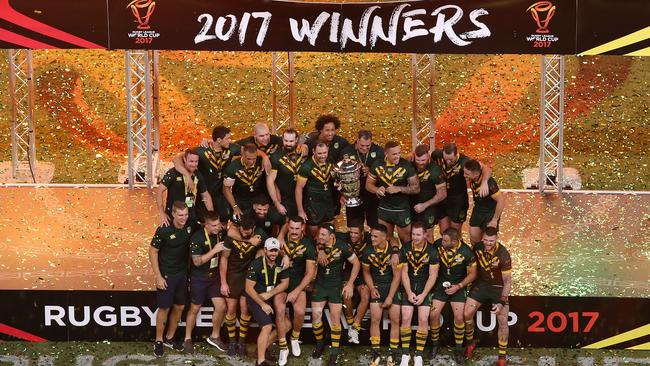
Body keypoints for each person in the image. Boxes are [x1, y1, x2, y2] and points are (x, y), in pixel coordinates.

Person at [306, 223, 360, 366]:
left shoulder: (342, 246)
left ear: (332, 236)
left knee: (335, 318)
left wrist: (350, 283)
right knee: (316, 316)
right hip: (320, 285)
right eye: (320, 234)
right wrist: (321, 248)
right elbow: (313, 243)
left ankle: (334, 352)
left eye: (323, 235)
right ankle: (320, 344)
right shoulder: (316, 244)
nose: (320, 237)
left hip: (336, 285)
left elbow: (356, 263)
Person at [149, 201, 193, 357]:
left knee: (180, 307)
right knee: (164, 308)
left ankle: (169, 337)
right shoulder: (163, 229)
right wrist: (158, 276)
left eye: (186, 214)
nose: (184, 218)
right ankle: (159, 340)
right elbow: (153, 252)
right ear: (173, 214)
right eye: (180, 215)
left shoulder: (190, 226)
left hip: (182, 275)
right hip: (166, 276)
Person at [220, 214, 268, 358]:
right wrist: (223, 282)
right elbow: (224, 259)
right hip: (233, 276)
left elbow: (272, 245)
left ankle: (241, 342)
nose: (245, 233)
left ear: (254, 228)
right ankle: (232, 342)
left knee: (245, 309)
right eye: (243, 230)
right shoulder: (231, 237)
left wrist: (260, 252)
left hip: (248, 277)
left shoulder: (260, 235)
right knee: (231, 310)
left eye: (248, 231)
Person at [464, 227, 512, 366]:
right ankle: (470, 343)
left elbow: (508, 281)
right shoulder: (478, 247)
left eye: (491, 240)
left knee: (503, 320)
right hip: (482, 285)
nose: (488, 243)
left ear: (496, 238)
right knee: (467, 314)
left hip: (498, 287)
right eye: (485, 240)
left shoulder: (503, 254)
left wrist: (502, 302)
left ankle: (502, 357)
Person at [172, 126, 240, 222]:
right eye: (228, 138)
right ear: (219, 140)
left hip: (220, 195)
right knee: (204, 222)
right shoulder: (202, 151)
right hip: (203, 194)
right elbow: (176, 159)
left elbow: (248, 151)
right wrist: (187, 175)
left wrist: (264, 157)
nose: (230, 141)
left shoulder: (231, 149)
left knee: (223, 221)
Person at [430, 228, 476, 364]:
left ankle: (458, 349)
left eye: (445, 241)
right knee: (433, 314)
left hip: (458, 286)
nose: (442, 242)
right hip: (441, 286)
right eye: (442, 239)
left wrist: (459, 286)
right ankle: (434, 345)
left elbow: (473, 274)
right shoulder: (438, 245)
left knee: (459, 317)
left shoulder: (467, 252)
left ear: (455, 241)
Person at [184, 211, 228, 353]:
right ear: (206, 225)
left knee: (221, 307)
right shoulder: (197, 237)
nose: (218, 227)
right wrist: (214, 250)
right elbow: (197, 262)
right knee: (195, 308)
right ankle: (187, 338)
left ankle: (215, 336)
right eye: (214, 225)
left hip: (214, 277)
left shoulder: (221, 232)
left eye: (218, 224)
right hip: (199, 277)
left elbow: (232, 230)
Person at [399, 222, 439, 366]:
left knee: (423, 319)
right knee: (406, 318)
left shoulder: (433, 251)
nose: (415, 237)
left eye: (418, 234)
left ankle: (419, 355)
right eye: (413, 234)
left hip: (424, 287)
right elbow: (404, 272)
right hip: (409, 286)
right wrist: (409, 292)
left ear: (425, 235)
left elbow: (432, 276)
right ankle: (405, 355)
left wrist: (423, 294)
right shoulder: (405, 248)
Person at [245, 238, 290, 366]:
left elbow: (285, 284)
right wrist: (262, 304)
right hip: (256, 298)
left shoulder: (281, 262)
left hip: (269, 297)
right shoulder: (256, 264)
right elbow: (248, 288)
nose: (273, 254)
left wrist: (270, 294)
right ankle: (260, 361)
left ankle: (260, 349)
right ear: (265, 250)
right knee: (267, 327)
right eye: (271, 251)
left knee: (287, 325)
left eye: (275, 251)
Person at [362, 225, 402, 366]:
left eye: (375, 236)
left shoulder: (394, 252)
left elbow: (398, 277)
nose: (372, 238)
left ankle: (393, 353)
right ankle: (376, 353)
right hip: (377, 287)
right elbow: (366, 272)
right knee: (375, 319)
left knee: (395, 320)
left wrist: (391, 296)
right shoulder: (367, 251)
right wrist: (372, 288)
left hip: (392, 287)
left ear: (385, 237)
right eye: (371, 235)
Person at [366, 141, 420, 245]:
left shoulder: (406, 166)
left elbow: (416, 188)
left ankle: (406, 261)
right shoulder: (377, 164)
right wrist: (377, 189)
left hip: (401, 210)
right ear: (386, 154)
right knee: (386, 240)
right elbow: (368, 185)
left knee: (406, 241)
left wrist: (399, 188)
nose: (398, 156)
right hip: (384, 209)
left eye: (399, 153)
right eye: (394, 154)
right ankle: (391, 260)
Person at [277, 216, 316, 358]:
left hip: (298, 283)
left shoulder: (308, 244)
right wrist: (282, 253)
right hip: (280, 283)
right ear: (288, 226)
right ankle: (283, 347)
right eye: (291, 228)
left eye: (297, 228)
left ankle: (294, 338)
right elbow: (268, 252)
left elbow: (310, 273)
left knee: (299, 311)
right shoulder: (280, 239)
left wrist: (296, 291)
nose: (294, 231)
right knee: (280, 310)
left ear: (302, 228)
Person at [430, 143, 490, 235]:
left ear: (456, 154)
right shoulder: (437, 154)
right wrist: (411, 155)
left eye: (451, 159)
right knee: (444, 231)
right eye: (446, 159)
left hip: (458, 199)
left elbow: (486, 168)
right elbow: (425, 154)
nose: (448, 162)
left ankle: (458, 248)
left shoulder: (464, 162)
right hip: (442, 198)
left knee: (455, 232)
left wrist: (484, 182)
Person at [157, 148, 213, 229]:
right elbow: (159, 192)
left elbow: (205, 195)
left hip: (190, 216)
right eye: (191, 161)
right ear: (184, 159)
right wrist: (162, 213)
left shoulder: (197, 175)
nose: (194, 164)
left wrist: (211, 216)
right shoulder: (173, 173)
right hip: (173, 216)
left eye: (196, 162)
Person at [336, 220, 371, 345]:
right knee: (346, 294)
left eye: (356, 233)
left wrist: (394, 252)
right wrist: (322, 249)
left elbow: (391, 239)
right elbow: (324, 235)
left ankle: (355, 327)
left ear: (363, 233)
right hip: (348, 271)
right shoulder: (343, 236)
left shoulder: (370, 237)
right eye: (351, 232)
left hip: (365, 272)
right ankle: (351, 324)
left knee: (366, 296)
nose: (353, 235)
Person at [340, 129, 384, 228]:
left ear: (371, 142)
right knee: (355, 227)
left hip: (373, 196)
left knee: (375, 226)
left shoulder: (379, 151)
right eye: (362, 145)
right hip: (354, 195)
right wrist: (342, 194)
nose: (364, 148)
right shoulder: (347, 152)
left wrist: (372, 172)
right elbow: (339, 174)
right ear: (357, 140)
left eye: (368, 146)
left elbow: (384, 172)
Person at [295, 142, 338, 237]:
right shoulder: (306, 167)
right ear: (314, 151)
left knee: (329, 231)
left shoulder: (330, 160)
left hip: (328, 202)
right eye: (320, 153)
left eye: (325, 153)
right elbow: (299, 189)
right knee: (314, 233)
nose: (323, 156)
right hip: (313, 204)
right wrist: (300, 210)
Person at [463, 159, 506, 244]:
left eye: (467, 174)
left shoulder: (490, 185)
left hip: (489, 213)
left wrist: (494, 220)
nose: (464, 175)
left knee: (488, 241)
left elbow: (501, 201)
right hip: (478, 209)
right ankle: (476, 255)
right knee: (474, 238)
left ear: (476, 174)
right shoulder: (475, 172)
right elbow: (485, 167)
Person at [267, 128, 306, 218]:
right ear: (282, 139)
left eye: (291, 141)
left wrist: (305, 146)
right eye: (286, 140)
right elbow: (270, 181)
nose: (288, 144)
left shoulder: (303, 152)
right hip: (286, 199)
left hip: (305, 197)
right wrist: (276, 202)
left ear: (296, 140)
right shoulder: (275, 156)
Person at [411, 144, 447, 242]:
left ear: (428, 156)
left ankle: (429, 256)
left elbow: (442, 194)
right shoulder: (410, 163)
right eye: (418, 160)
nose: (420, 163)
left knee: (427, 235)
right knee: (413, 234)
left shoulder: (435, 170)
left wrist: (424, 205)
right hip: (412, 205)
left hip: (428, 206)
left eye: (423, 160)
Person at [223, 144, 267, 218]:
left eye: (254, 158)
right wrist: (235, 207)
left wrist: (265, 158)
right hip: (241, 198)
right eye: (249, 159)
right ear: (243, 154)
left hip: (258, 196)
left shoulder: (261, 161)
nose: (252, 161)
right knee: (238, 219)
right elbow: (226, 189)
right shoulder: (233, 167)